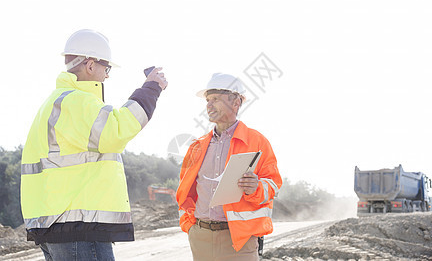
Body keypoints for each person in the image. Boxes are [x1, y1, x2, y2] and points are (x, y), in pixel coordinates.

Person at [20, 29, 168, 260]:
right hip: (78, 229)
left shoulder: (54, 102)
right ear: (90, 65)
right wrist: (150, 89)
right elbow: (117, 131)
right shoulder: (76, 101)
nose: (106, 76)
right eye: (106, 68)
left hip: (56, 225)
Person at [176, 73, 282, 261]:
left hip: (239, 241)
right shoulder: (196, 147)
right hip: (200, 238)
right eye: (208, 100)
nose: (209, 105)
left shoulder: (257, 141)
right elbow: (185, 192)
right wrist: (190, 226)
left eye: (215, 99)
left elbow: (273, 184)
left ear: (236, 103)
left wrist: (256, 187)